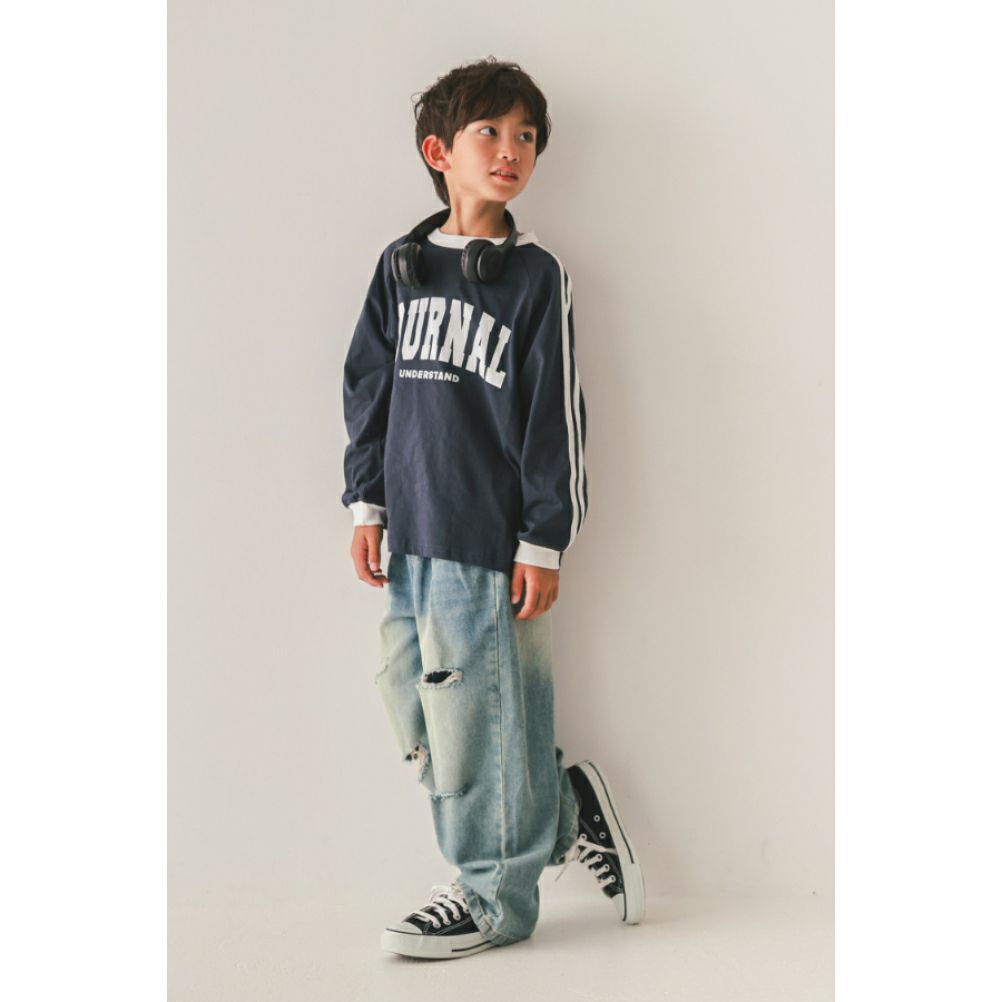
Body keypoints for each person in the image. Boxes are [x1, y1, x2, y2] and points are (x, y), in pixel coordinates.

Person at [340, 57, 645, 959]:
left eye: (527, 137)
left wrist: (544, 541)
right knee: (418, 706)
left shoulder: (534, 277)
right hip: (412, 530)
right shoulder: (401, 267)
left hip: (488, 539)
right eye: (491, 133)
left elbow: (556, 416)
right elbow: (366, 389)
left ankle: (493, 896)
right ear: (439, 151)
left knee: (475, 724)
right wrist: (367, 502)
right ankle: (557, 814)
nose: (512, 150)